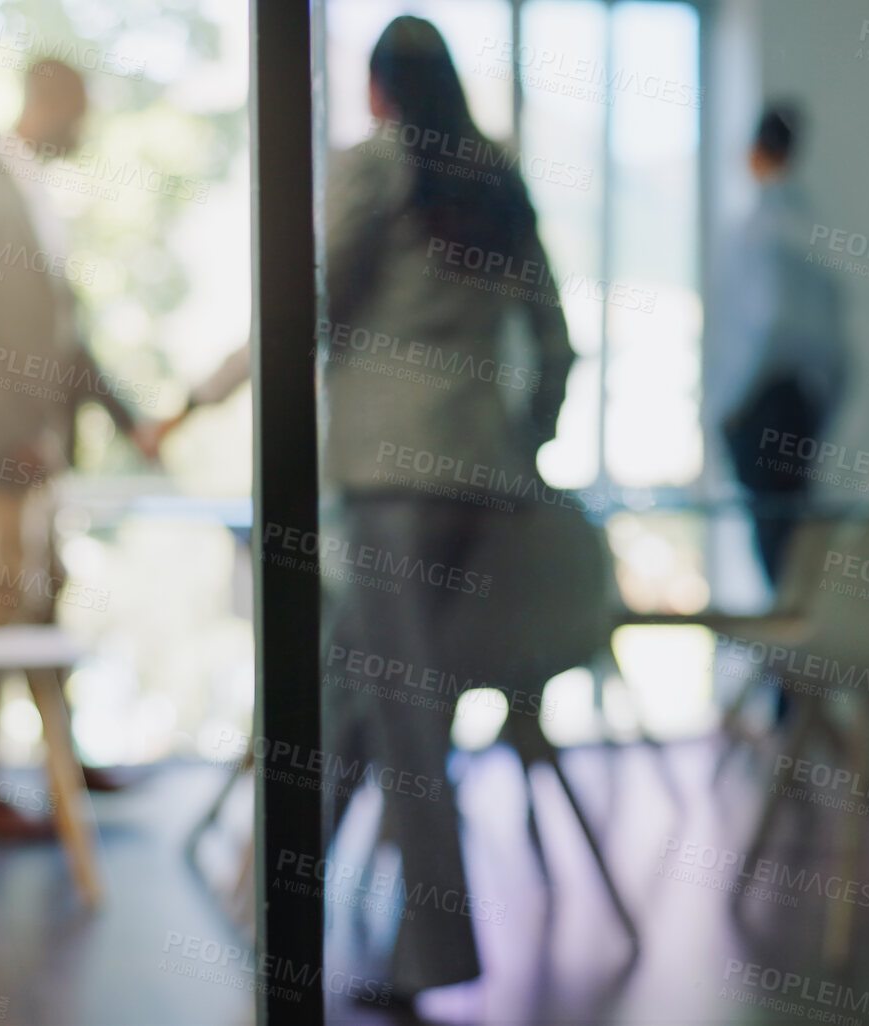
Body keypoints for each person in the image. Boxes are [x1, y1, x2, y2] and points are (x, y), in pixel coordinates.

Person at [320, 15, 575, 1007]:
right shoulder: (496, 176)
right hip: (480, 477)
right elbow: (555, 342)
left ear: (379, 90)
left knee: (405, 714)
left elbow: (310, 303)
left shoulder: (374, 169)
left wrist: (208, 397)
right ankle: (270, 901)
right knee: (353, 689)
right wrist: (526, 445)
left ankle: (430, 963)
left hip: (388, 477)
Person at [0, 59, 164, 841]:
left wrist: (129, 421)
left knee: (42, 596)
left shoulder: (36, 197)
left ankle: (62, 758)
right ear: (50, 102)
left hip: (37, 453)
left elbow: (65, 340)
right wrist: (10, 435)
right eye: (81, 111)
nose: (83, 130)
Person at [713, 103, 849, 724]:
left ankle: (792, 696)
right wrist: (826, 409)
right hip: (802, 405)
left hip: (767, 405)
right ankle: (795, 698)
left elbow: (764, 327)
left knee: (780, 555)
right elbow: (839, 343)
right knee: (793, 554)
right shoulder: (814, 227)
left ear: (757, 150)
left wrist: (733, 406)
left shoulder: (763, 228)